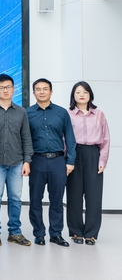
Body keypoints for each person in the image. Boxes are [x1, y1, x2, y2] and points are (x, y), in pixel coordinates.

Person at [27, 78, 76, 247]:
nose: (42, 92)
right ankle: (39, 233)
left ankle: (56, 234)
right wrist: (26, 161)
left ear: (51, 91)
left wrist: (70, 161)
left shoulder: (62, 113)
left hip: (58, 161)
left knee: (57, 200)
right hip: (36, 161)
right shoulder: (27, 113)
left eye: (45, 89)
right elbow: (25, 139)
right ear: (33, 93)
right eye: (38, 89)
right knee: (35, 200)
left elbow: (70, 138)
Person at [0, 74, 33, 246]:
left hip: (16, 162)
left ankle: (15, 232)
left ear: (14, 88)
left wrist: (27, 161)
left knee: (15, 198)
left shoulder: (21, 111)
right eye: (1, 87)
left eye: (8, 87)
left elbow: (26, 137)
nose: (5, 90)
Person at [67, 81, 110, 245]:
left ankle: (91, 233)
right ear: (73, 95)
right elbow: (64, 138)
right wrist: (67, 159)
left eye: (85, 92)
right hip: (74, 154)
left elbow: (105, 139)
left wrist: (102, 160)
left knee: (94, 195)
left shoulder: (99, 115)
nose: (82, 95)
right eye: (78, 92)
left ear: (90, 94)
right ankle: (76, 232)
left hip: (93, 154)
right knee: (74, 195)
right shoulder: (68, 114)